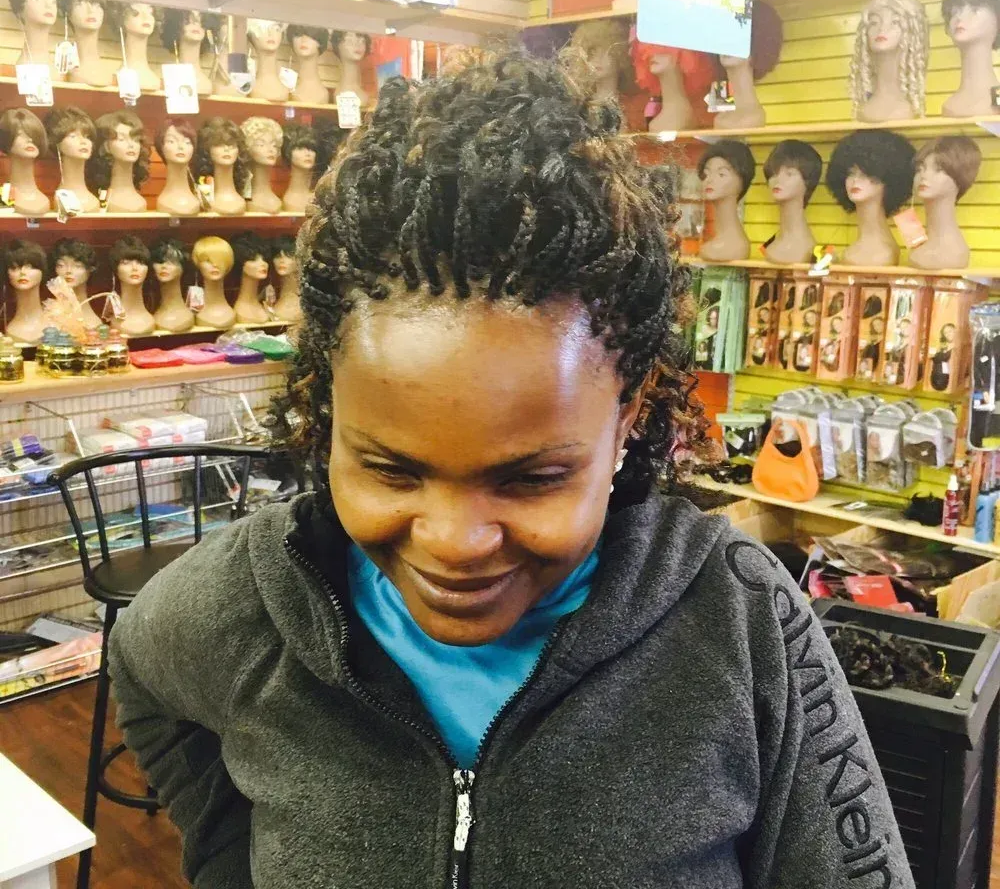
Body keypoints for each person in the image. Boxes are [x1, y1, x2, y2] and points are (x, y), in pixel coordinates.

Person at [108, 47, 914, 889]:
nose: (455, 542)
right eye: (391, 469)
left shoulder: (739, 623)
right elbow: (142, 663)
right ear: (327, 407)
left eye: (531, 479)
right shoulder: (249, 603)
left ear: (625, 422)